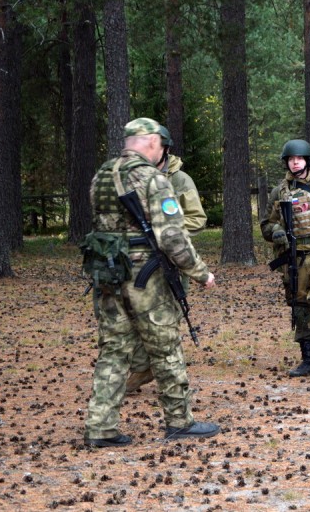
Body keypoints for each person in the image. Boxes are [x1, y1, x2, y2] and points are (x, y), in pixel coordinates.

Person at [82, 117, 219, 447]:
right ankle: (179, 421)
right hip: (145, 279)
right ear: (151, 142)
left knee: (113, 350)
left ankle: (100, 427)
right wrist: (200, 272)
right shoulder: (152, 178)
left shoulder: (102, 174)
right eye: (158, 142)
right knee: (165, 347)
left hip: (108, 275)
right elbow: (172, 236)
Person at [126, 125, 208, 393]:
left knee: (167, 321)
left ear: (165, 149)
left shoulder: (179, 179)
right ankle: (142, 367)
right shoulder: (132, 176)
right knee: (134, 317)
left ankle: (172, 383)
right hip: (137, 261)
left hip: (170, 259)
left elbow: (197, 218)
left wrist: (167, 229)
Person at [260, 139, 310, 378]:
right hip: (294, 256)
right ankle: (307, 359)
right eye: (291, 159)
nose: (295, 163)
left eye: (300, 159)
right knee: (300, 305)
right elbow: (267, 224)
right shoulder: (279, 192)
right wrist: (275, 232)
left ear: (307, 160)